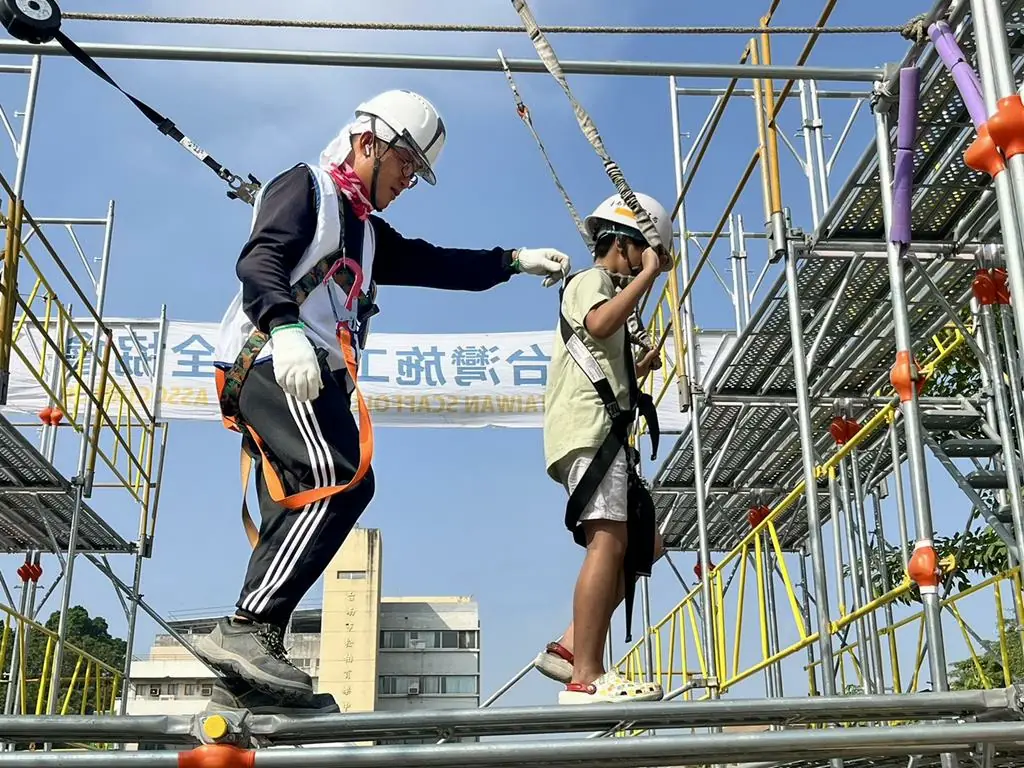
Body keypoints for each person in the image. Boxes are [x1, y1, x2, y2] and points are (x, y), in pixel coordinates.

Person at [197, 89, 571, 702]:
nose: (407, 181)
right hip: (272, 359)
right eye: (406, 165)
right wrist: (285, 326)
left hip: (311, 374)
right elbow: (261, 259)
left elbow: (436, 262)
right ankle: (248, 627)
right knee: (343, 477)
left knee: (297, 506)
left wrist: (513, 262)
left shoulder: (366, 232)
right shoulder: (307, 187)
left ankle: (246, 683)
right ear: (369, 142)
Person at [540, 192, 672, 704]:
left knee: (643, 545)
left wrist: (636, 369)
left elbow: (594, 357)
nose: (649, 266)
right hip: (591, 434)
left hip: (600, 430)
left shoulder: (603, 290)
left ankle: (573, 648)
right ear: (625, 244)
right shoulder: (590, 282)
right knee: (609, 540)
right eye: (646, 255)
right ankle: (587, 676)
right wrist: (647, 278)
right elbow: (597, 324)